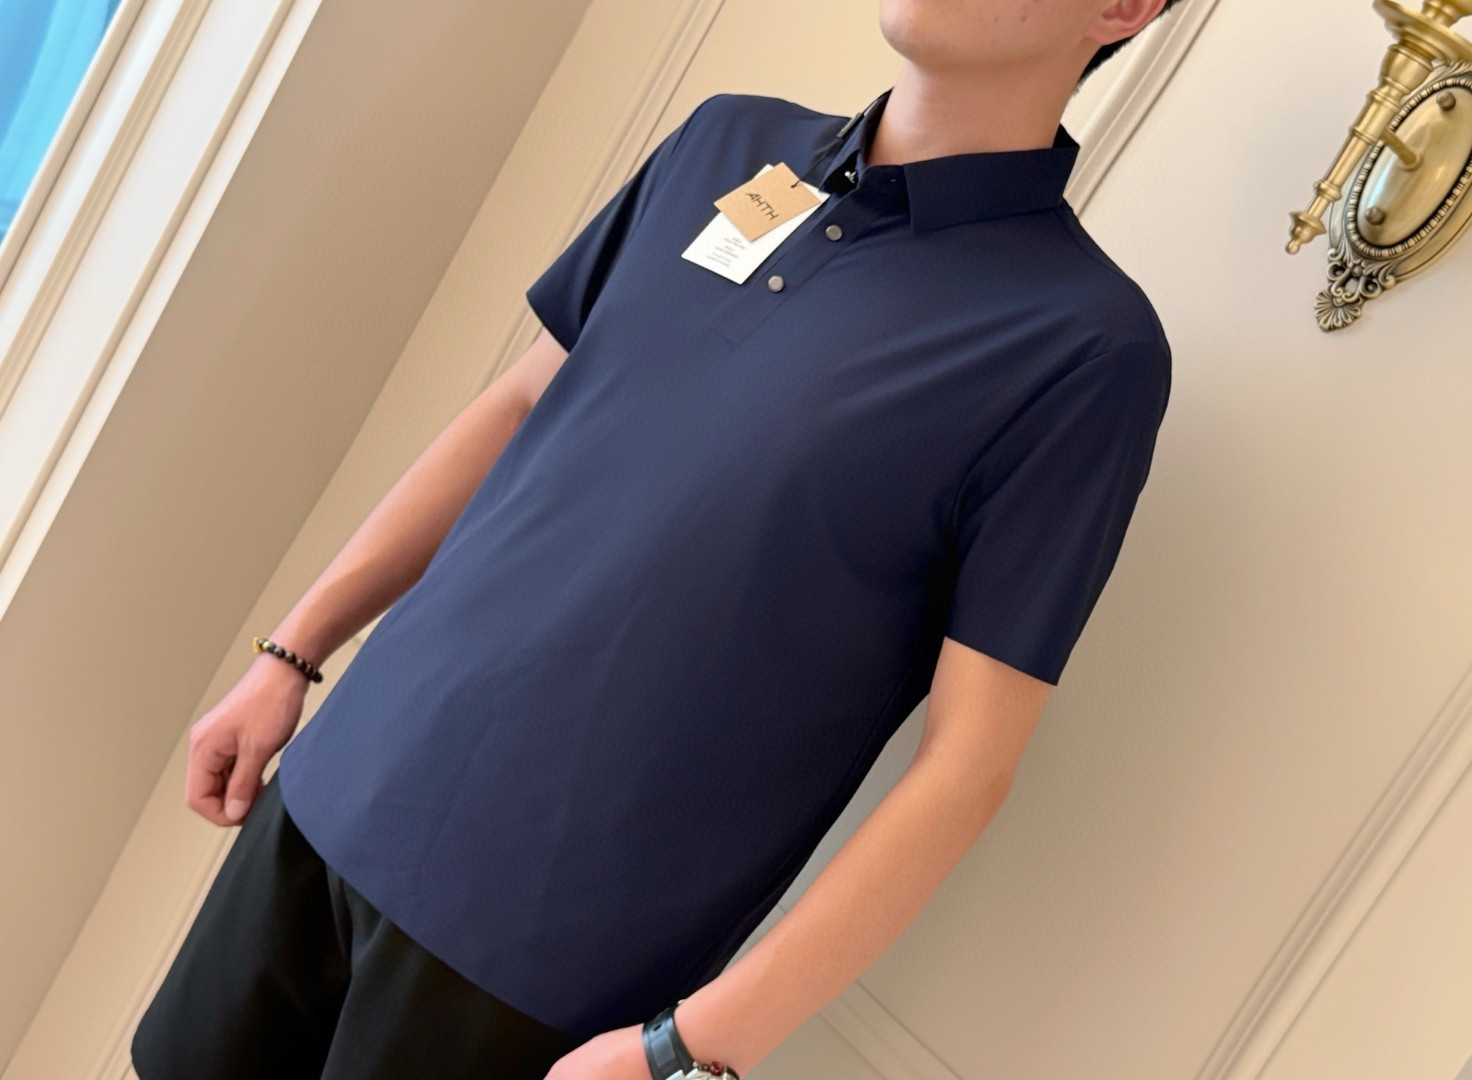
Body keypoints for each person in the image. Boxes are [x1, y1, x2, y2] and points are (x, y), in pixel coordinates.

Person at [130, 0, 1185, 1077]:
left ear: (1123, 9)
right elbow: (522, 405)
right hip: (338, 788)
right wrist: (292, 650)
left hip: (541, 953)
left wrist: (692, 1047)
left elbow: (967, 767)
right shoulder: (727, 144)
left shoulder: (1082, 347)